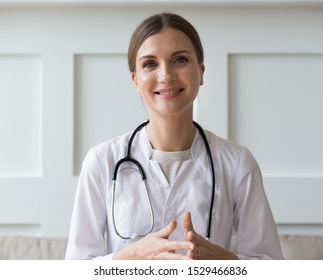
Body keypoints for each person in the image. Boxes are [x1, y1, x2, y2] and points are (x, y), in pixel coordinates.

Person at [65, 12, 283, 260]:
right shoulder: (101, 161)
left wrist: (225, 261)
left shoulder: (238, 162)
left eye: (179, 60)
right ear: (135, 80)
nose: (165, 75)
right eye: (150, 64)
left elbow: (271, 265)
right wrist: (126, 259)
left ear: (201, 72)